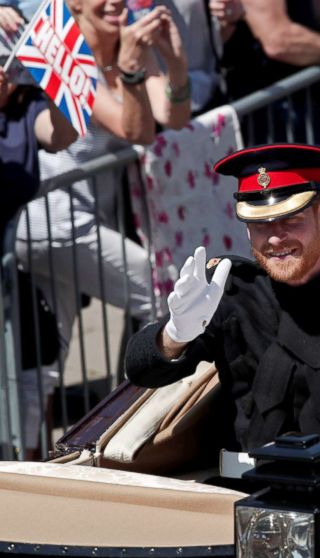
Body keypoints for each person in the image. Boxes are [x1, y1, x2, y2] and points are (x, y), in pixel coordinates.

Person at [125, 144, 320, 498]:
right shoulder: (232, 293)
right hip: (242, 495)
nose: (276, 238)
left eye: (291, 219)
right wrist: (175, 334)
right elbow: (142, 371)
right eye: (260, 224)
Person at [16, 0, 191, 437]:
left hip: (77, 226)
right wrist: (131, 71)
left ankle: (23, 462)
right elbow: (138, 130)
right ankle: (140, 429)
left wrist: (174, 60)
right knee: (168, 300)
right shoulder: (64, 53)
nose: (115, 2)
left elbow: (175, 115)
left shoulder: (129, 45)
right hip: (53, 223)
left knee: (46, 364)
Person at [0, 52, 76, 458]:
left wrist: (56, 85)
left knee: (34, 365)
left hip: (10, 270)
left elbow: (61, 136)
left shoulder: (25, 108)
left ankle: (29, 467)